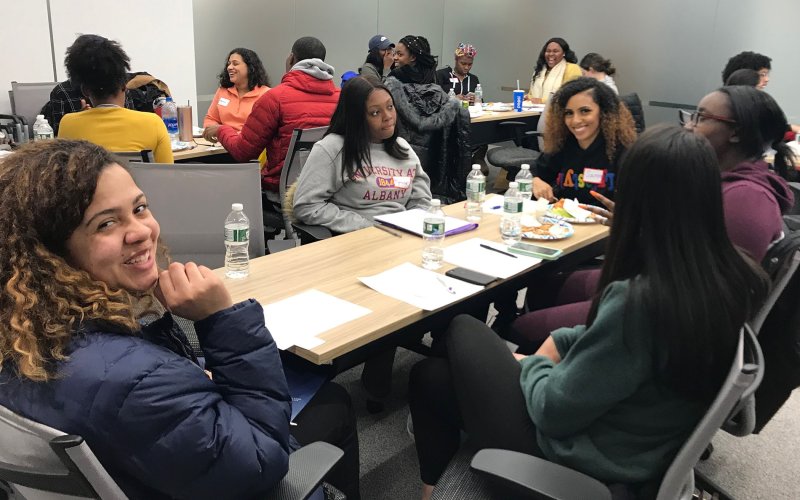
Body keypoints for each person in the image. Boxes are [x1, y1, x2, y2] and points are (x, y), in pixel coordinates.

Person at [408, 125, 769, 500]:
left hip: (586, 457)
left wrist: (536, 362)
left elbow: (553, 410)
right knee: (431, 377)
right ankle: (435, 492)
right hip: (638, 438)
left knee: (462, 327)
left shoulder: (642, 301)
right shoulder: (735, 274)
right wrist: (555, 343)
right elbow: (608, 350)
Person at [0, 139, 361, 500]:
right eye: (106, 223)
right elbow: (259, 462)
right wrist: (220, 319)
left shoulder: (27, 330)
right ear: (48, 252)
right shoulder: (133, 381)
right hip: (235, 473)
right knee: (335, 402)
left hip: (141, 468)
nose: (142, 231)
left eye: (139, 208)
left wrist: (186, 371)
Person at [510, 85, 795, 354]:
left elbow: (699, 300)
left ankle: (534, 376)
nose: (689, 126)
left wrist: (632, 234)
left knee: (522, 328)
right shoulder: (717, 180)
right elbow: (686, 249)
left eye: (700, 117)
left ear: (737, 132)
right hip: (649, 282)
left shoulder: (745, 201)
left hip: (653, 306)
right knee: (546, 286)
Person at [292, 76, 432, 233]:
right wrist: (366, 227)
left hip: (400, 238)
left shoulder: (402, 148)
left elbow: (421, 201)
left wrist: (409, 227)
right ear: (356, 118)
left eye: (390, 107)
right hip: (354, 240)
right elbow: (306, 206)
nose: (388, 117)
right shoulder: (332, 148)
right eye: (375, 113)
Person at [204, 37, 340, 195]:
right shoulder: (343, 99)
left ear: (291, 59)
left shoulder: (273, 97)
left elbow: (243, 153)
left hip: (283, 193)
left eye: (235, 63)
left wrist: (221, 130)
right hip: (328, 191)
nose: (230, 67)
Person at [56, 34, 173, 163]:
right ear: (124, 85)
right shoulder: (153, 123)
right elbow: (167, 176)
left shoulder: (67, 124)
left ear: (85, 90)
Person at [385, 35, 471, 203]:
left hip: (399, 165)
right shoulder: (439, 93)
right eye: (394, 53)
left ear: (413, 57)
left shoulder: (390, 90)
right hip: (434, 171)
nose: (394, 57)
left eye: (399, 54)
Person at [531, 77, 636, 205]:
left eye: (585, 111)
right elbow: (534, 172)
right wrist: (536, 181)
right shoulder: (563, 144)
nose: (575, 120)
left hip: (606, 223)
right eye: (569, 113)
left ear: (603, 112)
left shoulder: (624, 151)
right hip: (562, 221)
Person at [203, 48, 270, 132]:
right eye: (229, 64)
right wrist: (216, 132)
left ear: (250, 67)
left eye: (235, 64)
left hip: (249, 143)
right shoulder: (222, 91)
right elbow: (210, 119)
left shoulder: (266, 94)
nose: (229, 67)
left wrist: (228, 134)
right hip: (222, 142)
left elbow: (264, 130)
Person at [526, 37, 582, 104]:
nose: (551, 54)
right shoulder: (540, 70)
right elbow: (531, 94)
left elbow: (571, 96)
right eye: (548, 51)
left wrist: (542, 101)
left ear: (564, 53)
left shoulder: (572, 68)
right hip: (534, 112)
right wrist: (528, 98)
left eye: (555, 51)